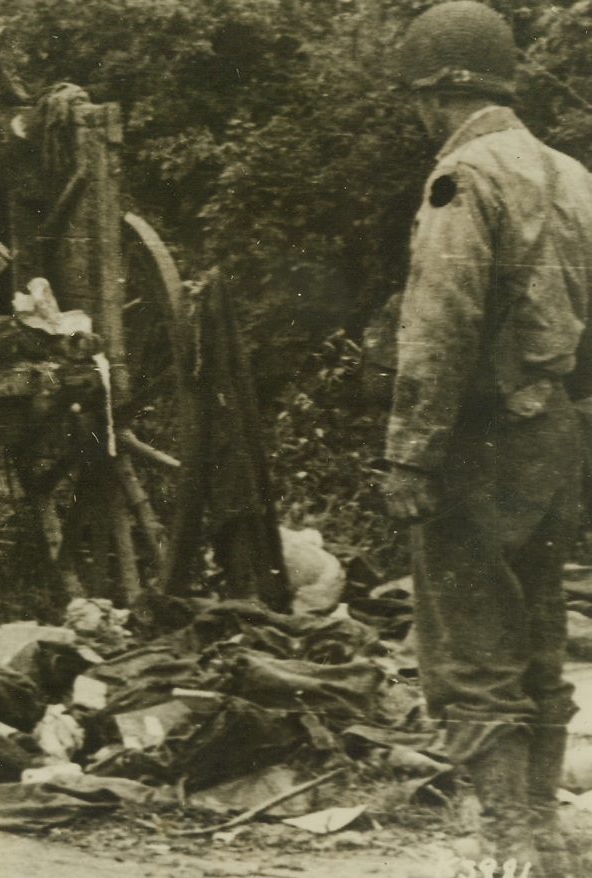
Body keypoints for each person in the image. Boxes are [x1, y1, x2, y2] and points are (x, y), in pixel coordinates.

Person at [382, 1, 592, 871]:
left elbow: (441, 322)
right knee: (540, 629)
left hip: (481, 442)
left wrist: (410, 450)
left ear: (436, 93)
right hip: (560, 435)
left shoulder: (464, 177)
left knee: (471, 642)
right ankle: (544, 833)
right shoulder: (573, 175)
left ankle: (506, 845)